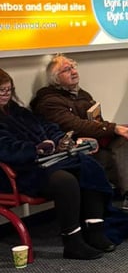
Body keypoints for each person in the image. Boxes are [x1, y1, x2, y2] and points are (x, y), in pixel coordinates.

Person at [0, 69, 116, 260]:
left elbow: (47, 126)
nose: (6, 95)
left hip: (46, 162)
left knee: (88, 166)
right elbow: (6, 149)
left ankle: (94, 229)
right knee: (65, 180)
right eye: (1, 91)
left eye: (8, 90)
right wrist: (35, 148)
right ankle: (72, 241)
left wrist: (61, 139)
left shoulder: (18, 111)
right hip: (21, 172)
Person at [31, 55, 128, 213]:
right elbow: (74, 125)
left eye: (73, 67)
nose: (73, 72)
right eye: (67, 70)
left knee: (123, 140)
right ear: (55, 79)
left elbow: (96, 123)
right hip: (73, 151)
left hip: (94, 145)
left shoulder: (83, 95)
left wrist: (114, 129)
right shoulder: (49, 101)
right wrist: (113, 128)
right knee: (116, 160)